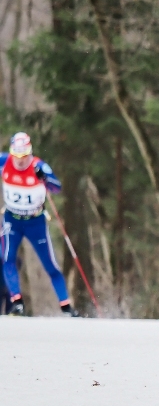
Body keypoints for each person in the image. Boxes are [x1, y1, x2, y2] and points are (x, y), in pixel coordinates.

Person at [0, 132, 77, 317]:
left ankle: (66, 307)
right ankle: (17, 302)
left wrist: (45, 178)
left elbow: (56, 187)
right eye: (16, 155)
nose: (20, 161)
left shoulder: (38, 166)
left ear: (30, 153)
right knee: (8, 258)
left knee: (50, 265)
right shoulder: (4, 161)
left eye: (24, 156)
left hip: (35, 222)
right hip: (12, 220)